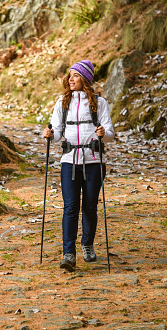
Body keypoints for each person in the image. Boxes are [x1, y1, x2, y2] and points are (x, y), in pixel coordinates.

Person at [42, 60, 114, 271]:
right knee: (70, 207)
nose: (70, 79)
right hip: (69, 161)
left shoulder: (100, 104)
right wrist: (50, 134)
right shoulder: (62, 103)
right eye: (70, 75)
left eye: (75, 75)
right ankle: (68, 254)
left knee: (90, 207)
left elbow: (109, 134)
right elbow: (56, 133)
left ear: (85, 79)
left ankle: (87, 244)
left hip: (94, 162)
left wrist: (103, 134)